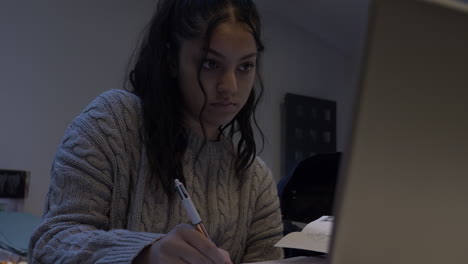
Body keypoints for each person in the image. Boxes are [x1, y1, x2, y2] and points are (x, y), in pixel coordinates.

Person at [28, 0, 284, 263]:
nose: (229, 87)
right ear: (171, 60)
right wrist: (144, 254)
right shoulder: (112, 123)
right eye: (210, 64)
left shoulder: (256, 181)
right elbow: (51, 243)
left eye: (245, 67)